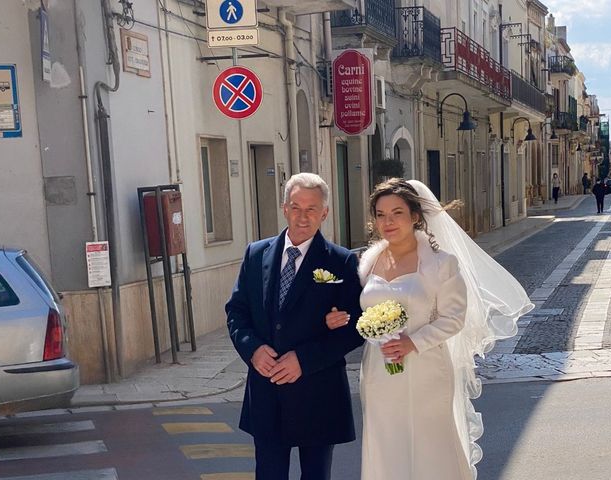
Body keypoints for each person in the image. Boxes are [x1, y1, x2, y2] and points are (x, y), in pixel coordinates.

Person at [326, 178, 533, 479]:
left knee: (429, 447)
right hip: (379, 372)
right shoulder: (367, 263)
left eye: (397, 213)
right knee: (386, 444)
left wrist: (413, 342)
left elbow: (453, 318)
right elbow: (361, 311)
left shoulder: (441, 264)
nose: (388, 221)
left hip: (426, 369)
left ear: (415, 216)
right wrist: (339, 318)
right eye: (381, 215)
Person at [226, 172, 363, 480]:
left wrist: (303, 359)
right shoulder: (255, 253)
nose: (303, 216)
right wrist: (253, 350)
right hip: (267, 391)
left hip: (317, 393)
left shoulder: (341, 262)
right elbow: (236, 312)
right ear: (284, 208)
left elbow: (354, 327)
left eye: (312, 208)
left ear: (324, 213)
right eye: (296, 207)